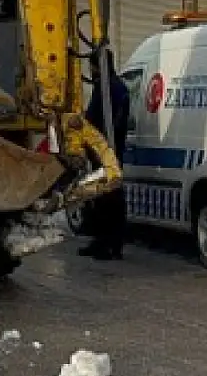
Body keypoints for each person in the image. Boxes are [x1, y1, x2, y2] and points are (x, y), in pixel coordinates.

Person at [78, 50, 131, 261]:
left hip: (103, 151)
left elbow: (91, 119)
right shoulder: (120, 87)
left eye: (91, 66)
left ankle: (104, 243)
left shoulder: (105, 89)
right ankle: (113, 244)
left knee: (103, 199)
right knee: (114, 198)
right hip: (115, 150)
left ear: (96, 66)